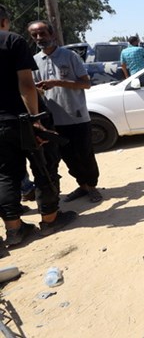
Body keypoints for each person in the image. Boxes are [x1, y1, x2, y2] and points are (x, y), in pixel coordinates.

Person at [0, 7, 76, 247]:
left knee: (6, 175)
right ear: (4, 21)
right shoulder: (12, 40)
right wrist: (36, 119)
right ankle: (50, 220)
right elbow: (26, 84)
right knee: (44, 166)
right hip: (21, 119)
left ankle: (14, 231)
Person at [29, 20, 102, 203]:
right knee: (68, 157)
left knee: (85, 155)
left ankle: (92, 186)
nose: (39, 38)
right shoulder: (35, 61)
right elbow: (33, 91)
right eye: (35, 35)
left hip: (76, 116)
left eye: (42, 33)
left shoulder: (69, 56)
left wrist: (57, 82)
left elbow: (86, 84)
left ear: (52, 34)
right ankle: (82, 186)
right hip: (53, 120)